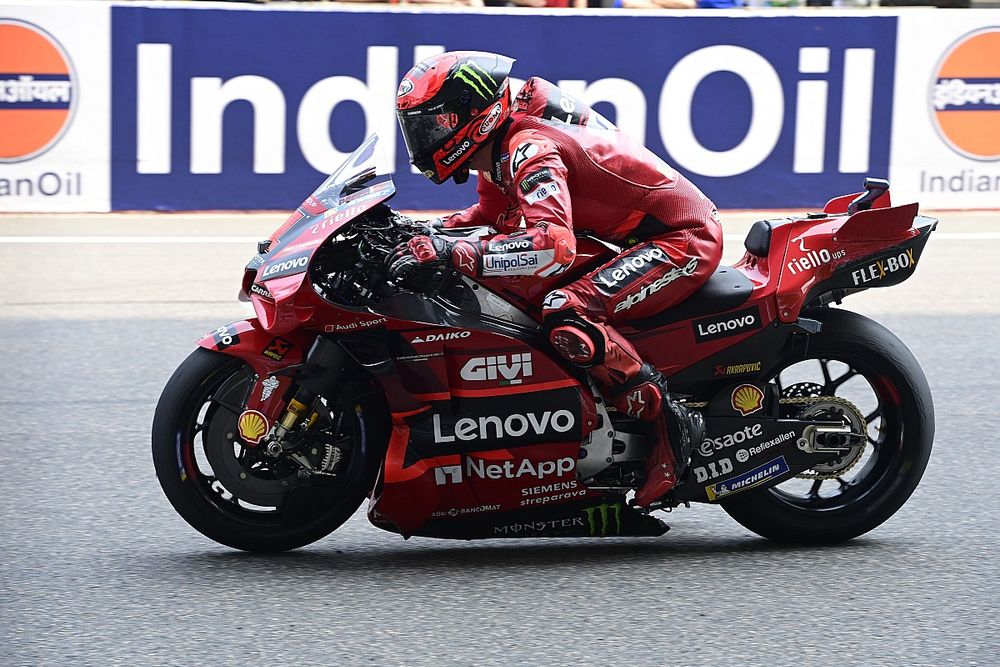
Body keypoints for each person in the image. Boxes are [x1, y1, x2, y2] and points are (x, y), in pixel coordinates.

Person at [390, 52, 722, 508]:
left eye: (432, 127)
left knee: (566, 309)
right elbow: (489, 218)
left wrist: (454, 251)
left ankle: (670, 427)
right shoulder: (499, 149)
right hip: (629, 240)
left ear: (470, 114)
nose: (424, 141)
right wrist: (422, 232)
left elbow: (551, 245)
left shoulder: (529, 148)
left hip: (681, 239)